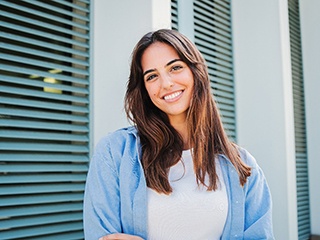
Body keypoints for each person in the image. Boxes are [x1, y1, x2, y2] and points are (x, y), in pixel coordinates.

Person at [83, 29, 274, 240]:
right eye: (152, 76)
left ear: (196, 72)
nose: (166, 83)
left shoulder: (243, 166)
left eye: (175, 67)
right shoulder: (114, 153)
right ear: (144, 88)